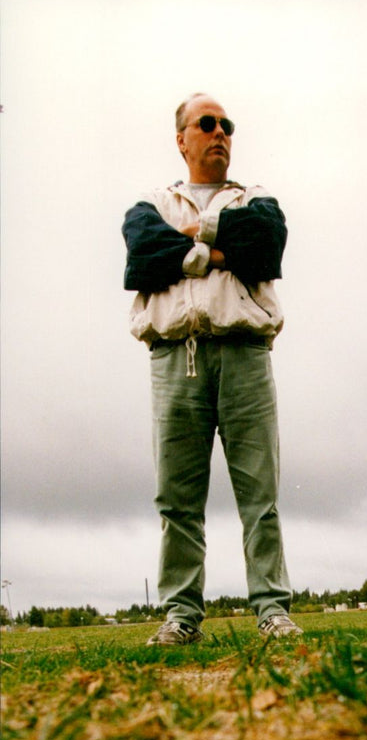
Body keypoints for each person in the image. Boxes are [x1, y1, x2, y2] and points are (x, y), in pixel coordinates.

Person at [122, 93, 301, 645]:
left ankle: (272, 609)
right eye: (206, 124)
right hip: (176, 357)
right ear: (182, 138)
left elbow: (266, 244)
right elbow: (142, 255)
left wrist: (192, 247)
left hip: (244, 352)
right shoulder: (152, 201)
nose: (220, 132)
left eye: (227, 125)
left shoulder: (257, 196)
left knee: (259, 494)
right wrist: (221, 247)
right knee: (177, 500)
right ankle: (180, 616)